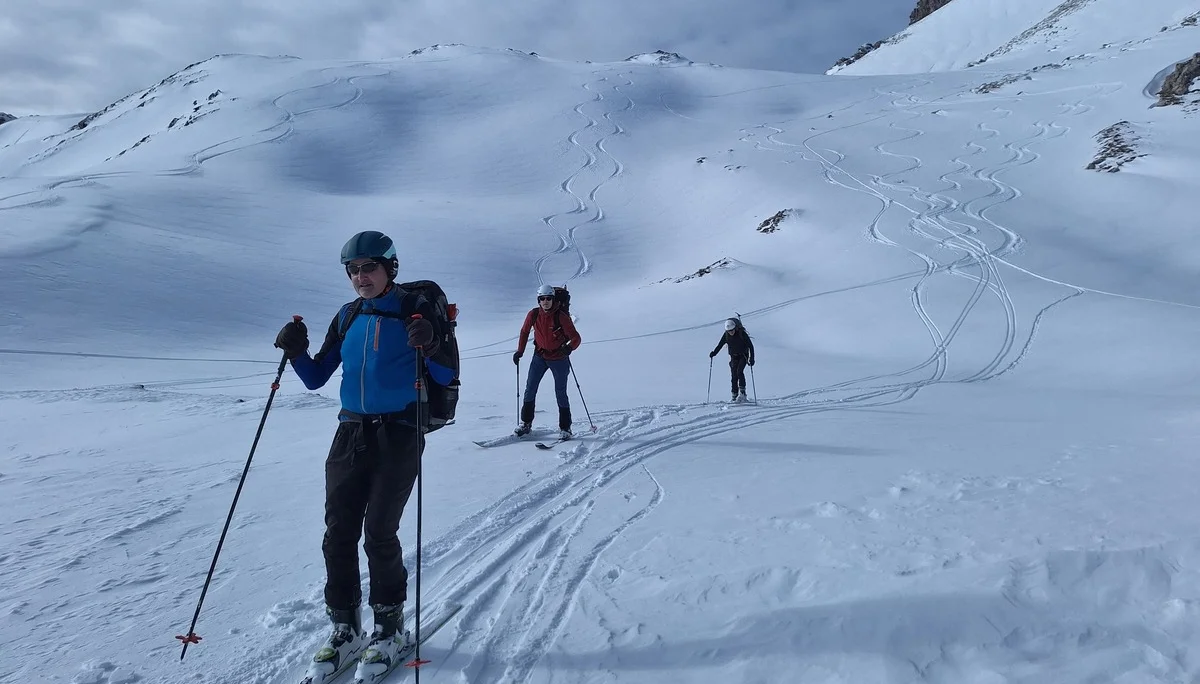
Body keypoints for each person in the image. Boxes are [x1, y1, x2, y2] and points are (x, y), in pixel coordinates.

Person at [273, 230, 456, 681]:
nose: (360, 277)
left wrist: (430, 342)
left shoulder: (414, 311)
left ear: (390, 268)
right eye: (353, 270)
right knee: (337, 533)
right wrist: (296, 352)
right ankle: (345, 630)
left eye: (368, 268)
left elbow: (446, 371)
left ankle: (390, 629)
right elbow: (317, 377)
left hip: (400, 431)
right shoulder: (349, 315)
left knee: (378, 532)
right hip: (350, 432)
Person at [512, 284, 582, 439]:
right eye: (542, 299)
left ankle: (565, 428)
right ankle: (525, 424)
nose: (545, 301)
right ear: (538, 300)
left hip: (559, 359)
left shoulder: (561, 317)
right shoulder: (534, 314)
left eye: (548, 298)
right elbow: (524, 332)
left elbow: (576, 338)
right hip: (540, 357)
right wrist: (520, 351)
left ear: (553, 299)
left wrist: (569, 349)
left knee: (560, 393)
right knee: (530, 388)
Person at [710, 318, 755, 402]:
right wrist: (714, 353)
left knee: (739, 372)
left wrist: (751, 358)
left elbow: (750, 346)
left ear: (735, 328)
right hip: (733, 357)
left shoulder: (742, 334)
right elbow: (720, 345)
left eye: (732, 330)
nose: (731, 332)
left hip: (743, 356)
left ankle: (743, 393)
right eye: (729, 331)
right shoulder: (726, 335)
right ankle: (734, 395)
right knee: (734, 375)